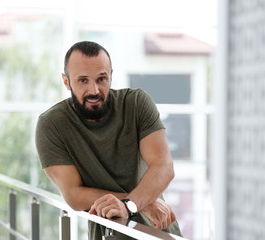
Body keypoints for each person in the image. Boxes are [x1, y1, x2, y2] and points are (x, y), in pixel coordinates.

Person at [35, 41, 182, 239]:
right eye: (83, 80)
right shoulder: (52, 125)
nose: (94, 90)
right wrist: (140, 203)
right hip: (108, 234)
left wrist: (129, 205)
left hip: (157, 232)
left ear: (111, 75)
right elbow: (74, 195)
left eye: (101, 79)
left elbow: (163, 166)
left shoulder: (137, 103)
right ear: (66, 81)